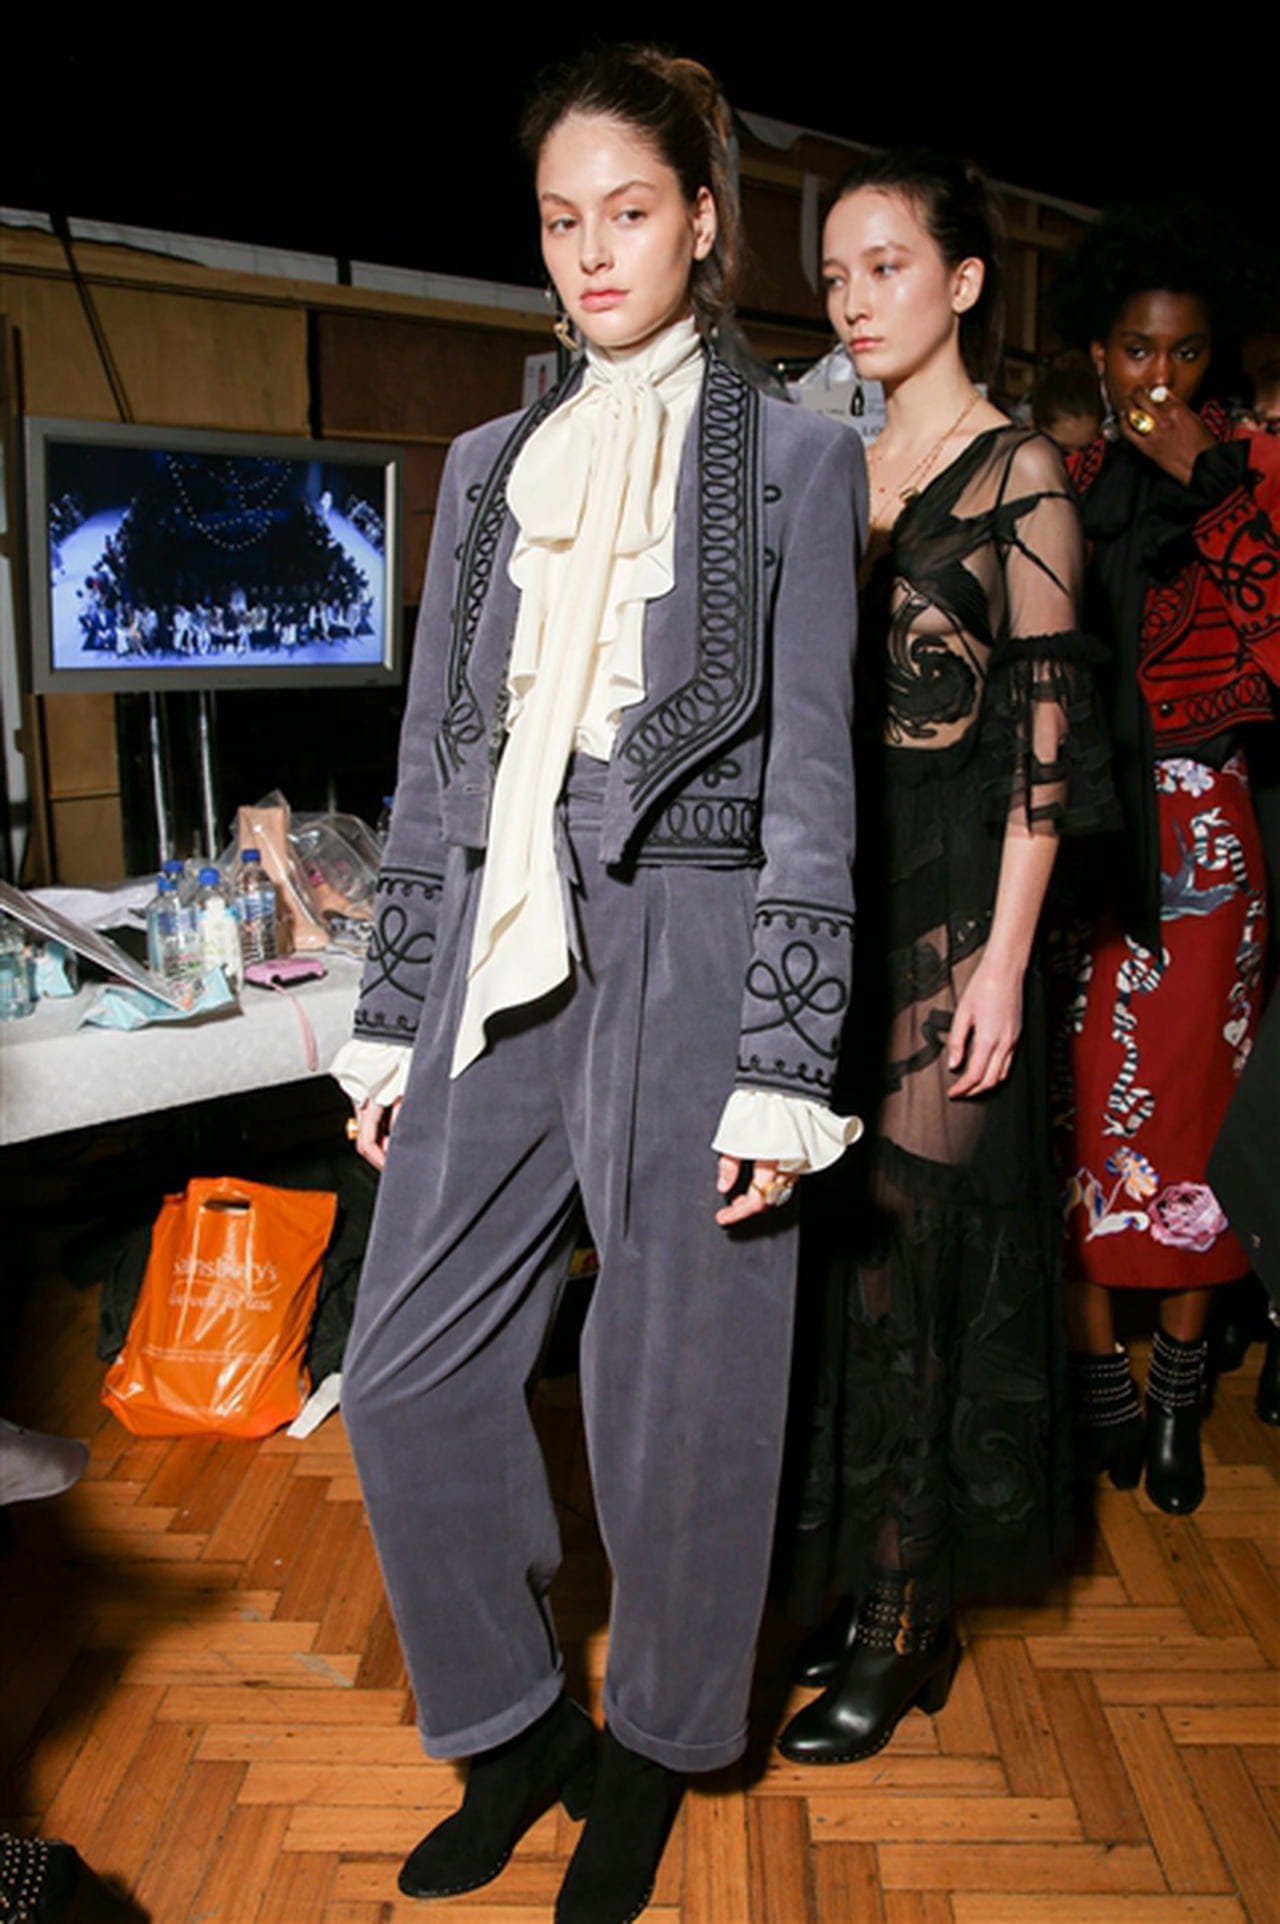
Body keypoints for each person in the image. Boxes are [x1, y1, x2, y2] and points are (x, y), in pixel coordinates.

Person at [330, 45, 864, 1924]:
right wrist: (389, 1018)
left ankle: (658, 1743)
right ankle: (510, 1726)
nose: (593, 252)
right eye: (563, 221)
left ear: (703, 220)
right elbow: (429, 768)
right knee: (400, 1367)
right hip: (500, 918)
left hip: (697, 927)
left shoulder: (802, 457)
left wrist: (786, 1056)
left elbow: (814, 783)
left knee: (684, 1382)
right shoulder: (488, 468)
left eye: (629, 211)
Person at [776, 151, 1113, 1766]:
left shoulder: (1021, 470)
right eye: (837, 274)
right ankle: (854, 1577)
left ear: (965, 281)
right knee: (841, 1256)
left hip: (960, 913)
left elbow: (1050, 749)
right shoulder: (835, 462)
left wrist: (1002, 966)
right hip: (834, 901)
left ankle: (908, 1619)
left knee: (921, 1266)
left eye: (888, 265)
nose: (856, 299)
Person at [1050, 204, 1280, 1515]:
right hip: (1086, 837)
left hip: (1206, 842)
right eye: (1138, 351)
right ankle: (1104, 1384)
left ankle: (1183, 1393)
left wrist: (1217, 488)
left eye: (1185, 353)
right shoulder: (1063, 481)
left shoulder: (1255, 473)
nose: (1160, 379)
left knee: (1193, 1115)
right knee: (1077, 1111)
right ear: (1099, 354)